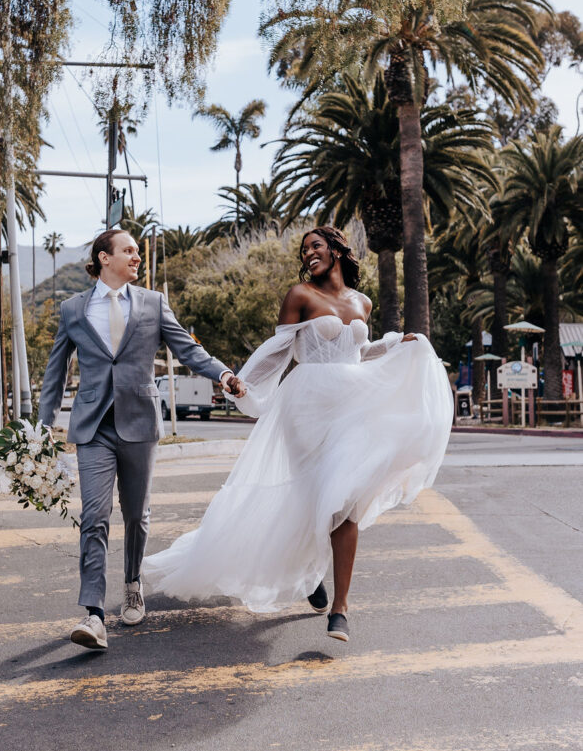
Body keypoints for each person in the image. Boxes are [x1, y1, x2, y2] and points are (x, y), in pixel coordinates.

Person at [143, 226, 453, 642]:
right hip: (306, 407)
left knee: (345, 500)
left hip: (352, 406)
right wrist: (242, 381)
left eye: (316, 246)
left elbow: (358, 352)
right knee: (313, 499)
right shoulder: (300, 295)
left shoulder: (362, 301)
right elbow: (278, 349)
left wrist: (398, 344)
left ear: (338, 250)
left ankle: (340, 607)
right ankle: (310, 577)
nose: (309, 254)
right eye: (305, 249)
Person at [38, 229, 245, 651]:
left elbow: (188, 349)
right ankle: (94, 613)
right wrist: (42, 428)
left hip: (139, 422)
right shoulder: (73, 309)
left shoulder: (152, 303)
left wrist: (222, 374)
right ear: (104, 257)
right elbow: (55, 371)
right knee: (94, 515)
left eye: (137, 252)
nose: (136, 257)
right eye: (128, 251)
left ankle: (132, 583)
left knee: (136, 515)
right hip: (93, 426)